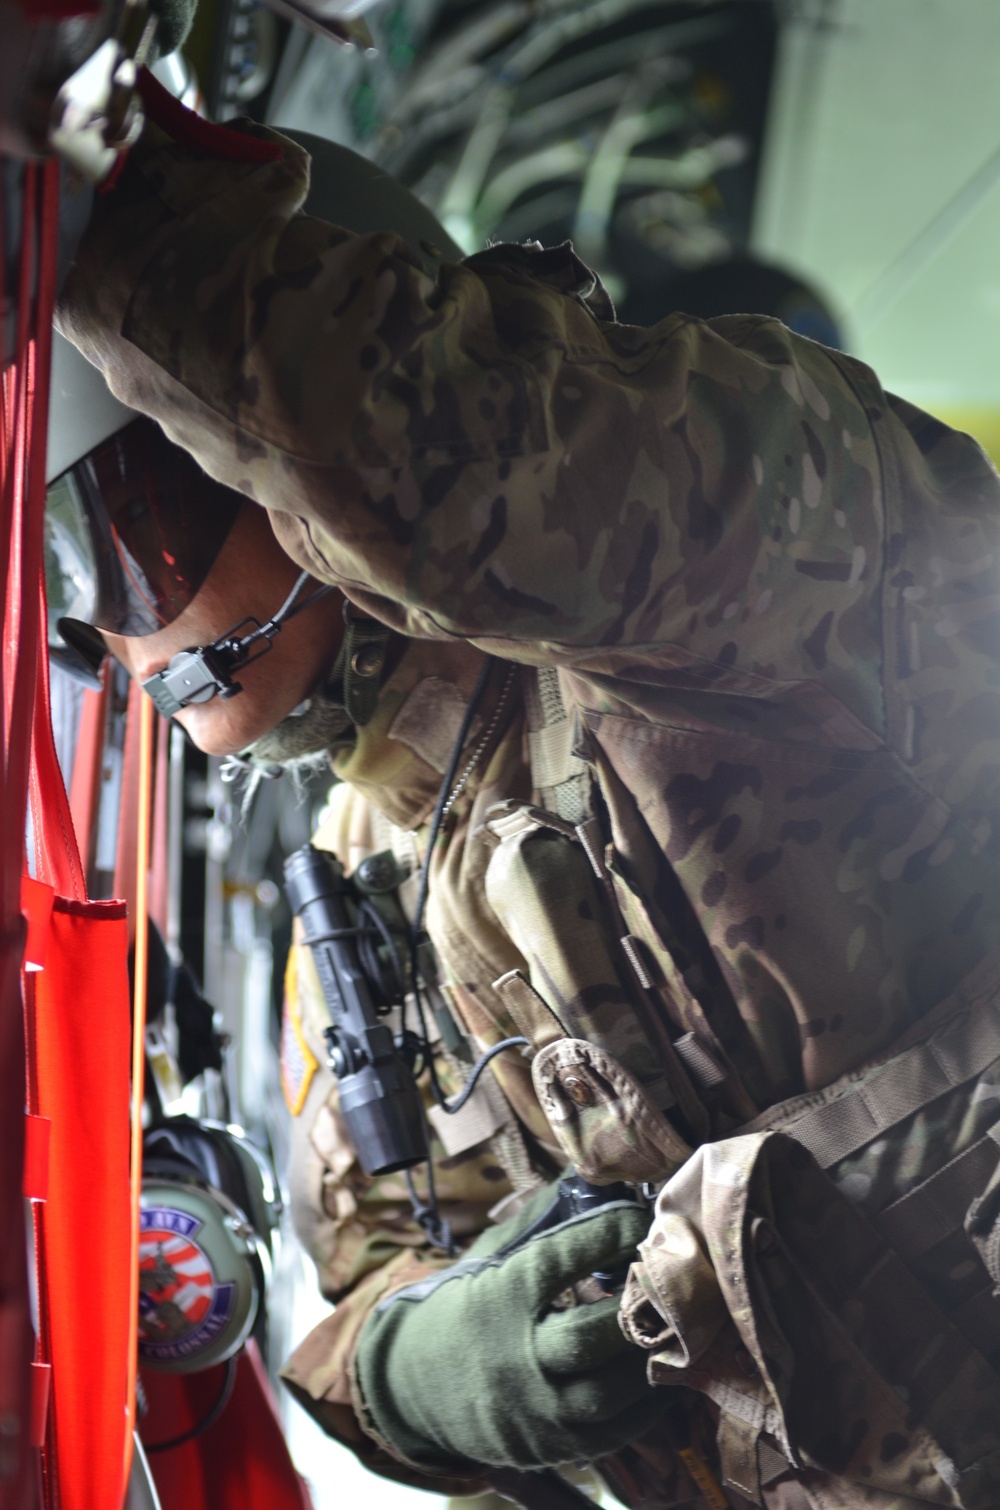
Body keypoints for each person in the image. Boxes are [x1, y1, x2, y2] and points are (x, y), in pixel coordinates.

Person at [53, 91, 1000, 1510]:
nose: (121, 643)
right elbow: (370, 1269)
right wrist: (415, 1369)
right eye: (68, 597)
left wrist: (98, 184)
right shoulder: (362, 867)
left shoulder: (733, 510)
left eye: (126, 542)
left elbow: (440, 458)